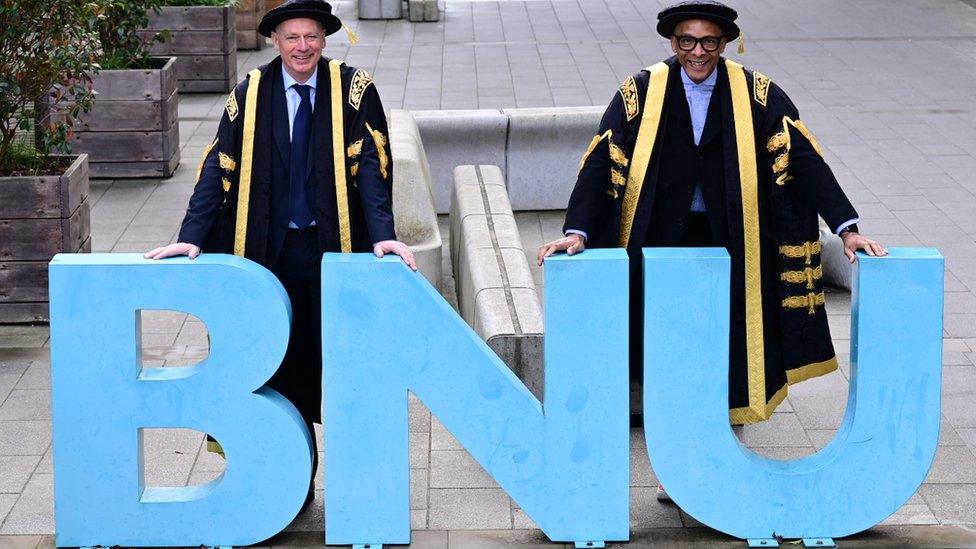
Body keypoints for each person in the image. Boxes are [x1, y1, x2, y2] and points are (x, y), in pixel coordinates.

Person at [537, 0, 886, 464]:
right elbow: (602, 161)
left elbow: (803, 158)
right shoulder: (641, 91)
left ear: (725, 43)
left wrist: (847, 229)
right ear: (672, 41)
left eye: (708, 42)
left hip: (737, 240)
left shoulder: (755, 93)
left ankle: (727, 452)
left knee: (735, 339)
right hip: (661, 241)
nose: (697, 52)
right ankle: (674, 462)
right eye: (687, 41)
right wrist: (577, 231)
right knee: (667, 344)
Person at [145, 0, 415, 508]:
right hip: (266, 254)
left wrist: (382, 233)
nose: (302, 47)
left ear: (325, 39)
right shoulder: (250, 93)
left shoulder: (354, 91)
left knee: (340, 363)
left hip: (333, 250)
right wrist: (193, 235)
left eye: (311, 36)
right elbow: (216, 168)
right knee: (274, 368)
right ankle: (291, 486)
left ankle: (361, 490)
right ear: (275, 41)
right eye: (292, 37)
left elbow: (373, 170)